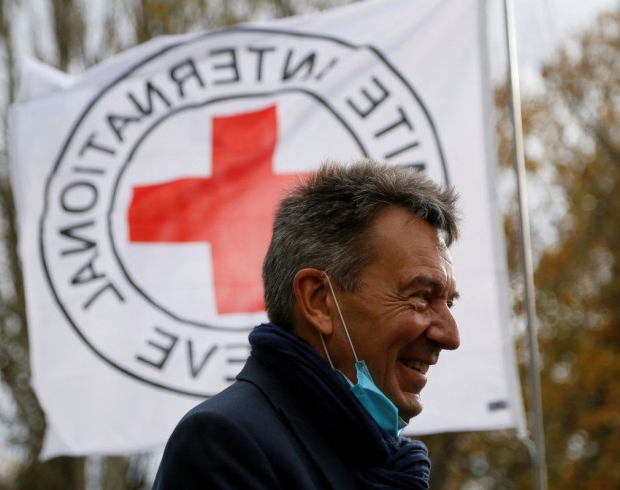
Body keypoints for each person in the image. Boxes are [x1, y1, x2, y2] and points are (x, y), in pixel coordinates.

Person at [152, 160, 461, 489]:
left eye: (449, 302)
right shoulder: (225, 443)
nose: (450, 335)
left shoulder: (386, 461)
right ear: (318, 301)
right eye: (421, 297)